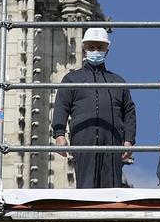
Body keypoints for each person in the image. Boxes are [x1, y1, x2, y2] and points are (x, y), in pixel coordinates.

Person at [51, 27, 135, 188]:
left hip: (112, 139)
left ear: (107, 50)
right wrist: (59, 135)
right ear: (84, 49)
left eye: (99, 47)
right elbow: (61, 107)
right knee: (86, 186)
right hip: (84, 138)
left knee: (112, 188)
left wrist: (129, 140)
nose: (95, 51)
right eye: (91, 47)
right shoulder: (72, 79)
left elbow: (129, 112)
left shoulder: (117, 81)